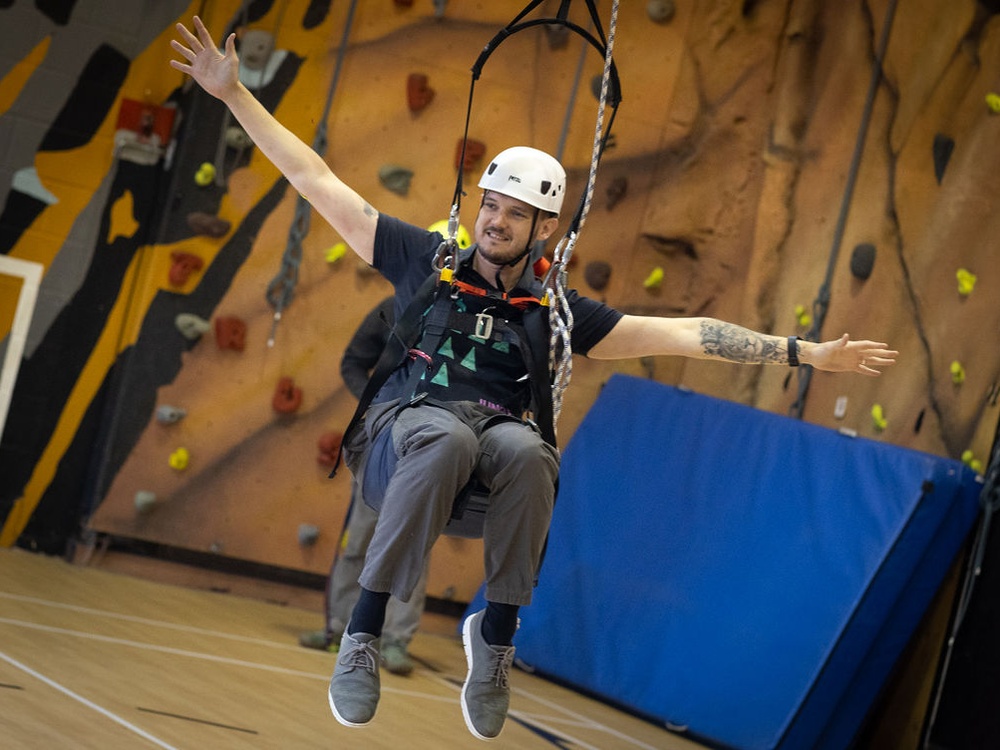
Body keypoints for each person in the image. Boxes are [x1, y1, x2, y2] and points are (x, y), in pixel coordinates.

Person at [170, 17, 898, 741]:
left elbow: (683, 334)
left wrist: (803, 353)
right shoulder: (421, 258)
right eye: (490, 204)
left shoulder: (555, 310)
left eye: (514, 214)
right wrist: (234, 95)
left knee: (528, 451)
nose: (495, 221)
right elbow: (314, 178)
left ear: (543, 228)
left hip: (487, 457)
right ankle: (361, 633)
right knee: (447, 434)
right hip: (404, 440)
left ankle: (496, 639)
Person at [298, 296, 428, 677]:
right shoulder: (392, 308)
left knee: (413, 543)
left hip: (431, 444)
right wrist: (377, 403)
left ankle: (395, 641)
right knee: (357, 539)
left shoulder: (466, 314)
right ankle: (338, 628)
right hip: (380, 440)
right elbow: (353, 361)